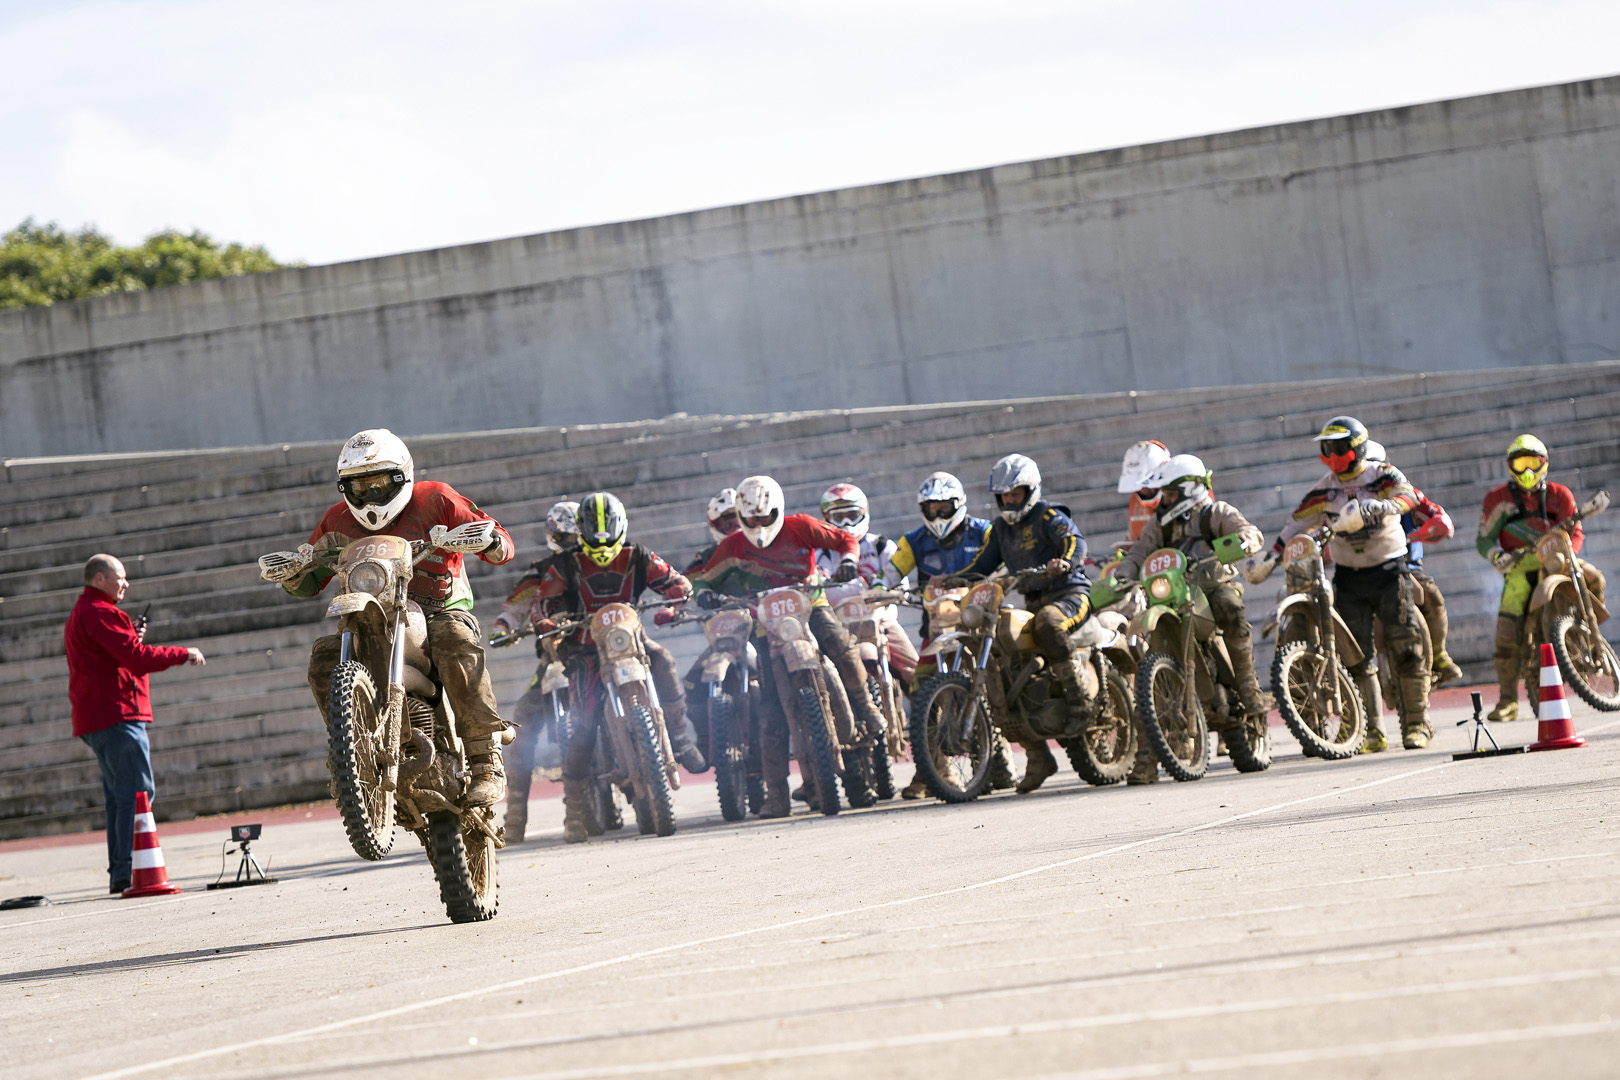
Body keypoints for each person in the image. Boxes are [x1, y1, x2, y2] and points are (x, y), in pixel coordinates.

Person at [258, 428, 515, 805]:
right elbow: (309, 581)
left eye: (378, 484)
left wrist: (491, 542)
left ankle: (485, 761)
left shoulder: (438, 498)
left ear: (402, 475)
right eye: (358, 488)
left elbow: (501, 540)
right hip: (372, 617)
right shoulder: (336, 520)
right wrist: (293, 573)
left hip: (440, 609)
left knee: (455, 642)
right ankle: (348, 758)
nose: (369, 496)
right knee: (324, 659)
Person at [689, 474, 885, 817]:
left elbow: (844, 539)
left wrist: (848, 561)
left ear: (778, 510)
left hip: (812, 604)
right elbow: (703, 578)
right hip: (766, 623)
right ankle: (776, 794)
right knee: (769, 709)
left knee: (840, 644)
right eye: (751, 519)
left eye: (765, 517)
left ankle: (866, 707)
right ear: (741, 517)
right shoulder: (733, 545)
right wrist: (704, 593)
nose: (759, 525)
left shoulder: (801, 526)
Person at [533, 491, 703, 843]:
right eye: (592, 531)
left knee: (665, 660)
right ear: (581, 529)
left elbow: (676, 582)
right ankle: (574, 811)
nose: (600, 539)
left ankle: (681, 738)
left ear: (621, 525)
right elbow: (542, 601)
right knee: (582, 727)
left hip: (632, 642)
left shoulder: (638, 555)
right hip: (586, 649)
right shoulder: (566, 564)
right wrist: (545, 621)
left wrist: (676, 599)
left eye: (607, 529)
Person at [1262, 416, 1430, 751]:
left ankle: (1417, 725)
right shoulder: (1323, 489)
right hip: (1349, 576)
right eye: (1327, 449)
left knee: (1406, 644)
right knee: (1356, 656)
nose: (1332, 455)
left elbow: (1409, 495)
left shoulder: (1382, 474)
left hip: (1390, 570)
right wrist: (1271, 557)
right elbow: (1296, 523)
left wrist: (1382, 506)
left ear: (1357, 447)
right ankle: (1373, 732)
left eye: (1338, 448)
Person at [65, 554, 205, 894]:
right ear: (100, 578)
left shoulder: (83, 611)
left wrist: (131, 636)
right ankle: (131, 871)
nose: (125, 583)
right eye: (120, 577)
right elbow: (136, 659)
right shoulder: (102, 612)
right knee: (137, 794)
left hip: (98, 716)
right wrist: (183, 653)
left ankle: (122, 871)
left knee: (120, 797)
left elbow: (117, 656)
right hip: (117, 715)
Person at [957, 454, 1095, 793]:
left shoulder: (1049, 516)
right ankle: (1037, 756)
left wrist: (1065, 561)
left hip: (1069, 594)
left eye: (1015, 494)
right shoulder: (1000, 530)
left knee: (1049, 623)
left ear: (1030, 491)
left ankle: (1080, 702)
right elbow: (981, 565)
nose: (1009, 501)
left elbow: (1075, 541)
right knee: (1005, 663)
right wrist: (951, 578)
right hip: (1032, 602)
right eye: (1004, 496)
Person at [1115, 453, 1269, 722]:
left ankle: (1248, 686)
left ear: (1190, 490)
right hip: (1173, 592)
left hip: (1214, 585)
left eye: (1171, 495)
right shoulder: (1158, 524)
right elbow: (1139, 553)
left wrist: (1242, 543)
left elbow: (1251, 533)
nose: (1165, 500)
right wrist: (1122, 575)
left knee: (1230, 607)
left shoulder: (1216, 512)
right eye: (1165, 494)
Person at [889, 471, 1014, 797]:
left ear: (958, 504)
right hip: (937, 628)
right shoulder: (913, 541)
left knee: (998, 679)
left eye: (944, 506)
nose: (938, 514)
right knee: (921, 688)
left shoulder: (984, 531)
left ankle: (998, 762)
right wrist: (881, 586)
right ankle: (932, 771)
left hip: (982, 624)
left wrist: (999, 577)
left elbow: (1005, 561)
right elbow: (890, 570)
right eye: (931, 508)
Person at [1477, 435, 1605, 720]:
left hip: (1559, 558)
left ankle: (1589, 630)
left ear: (1544, 463)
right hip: (1520, 567)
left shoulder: (1561, 494)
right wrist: (1497, 555)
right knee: (1507, 630)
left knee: (1595, 577)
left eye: (1532, 463)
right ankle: (1508, 700)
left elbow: (1576, 532)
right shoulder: (1497, 499)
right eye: (1520, 464)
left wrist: (1569, 554)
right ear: (1510, 467)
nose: (1527, 471)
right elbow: (1484, 540)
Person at [489, 500, 580, 842]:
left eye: (577, 537)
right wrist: (503, 625)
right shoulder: (541, 569)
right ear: (554, 536)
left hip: (598, 653)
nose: (573, 544)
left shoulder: (595, 564)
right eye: (567, 538)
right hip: (554, 660)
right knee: (522, 721)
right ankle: (515, 818)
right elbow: (516, 603)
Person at [1364, 441, 1464, 687]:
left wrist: (1422, 532)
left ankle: (1439, 654)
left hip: (1406, 568)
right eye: (1364, 469)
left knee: (1431, 595)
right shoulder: (1344, 501)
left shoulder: (1408, 495)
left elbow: (1441, 520)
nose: (1371, 477)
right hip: (1362, 572)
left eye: (1376, 468)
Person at [1118, 440, 1172, 545]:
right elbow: (1132, 535)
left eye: (1145, 484)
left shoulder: (1176, 498)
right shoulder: (1135, 499)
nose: (1141, 489)